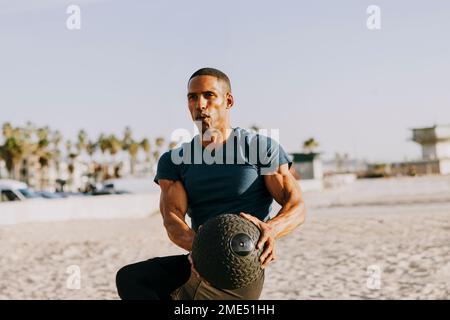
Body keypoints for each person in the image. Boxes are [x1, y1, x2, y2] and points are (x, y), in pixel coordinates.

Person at [116, 67, 307, 300]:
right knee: (131, 278)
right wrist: (200, 251)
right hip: (200, 258)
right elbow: (172, 219)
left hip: (242, 262)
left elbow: (296, 206)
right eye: (192, 97)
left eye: (209, 95)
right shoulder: (174, 161)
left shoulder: (260, 149)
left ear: (228, 101)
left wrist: (272, 229)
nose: (200, 104)